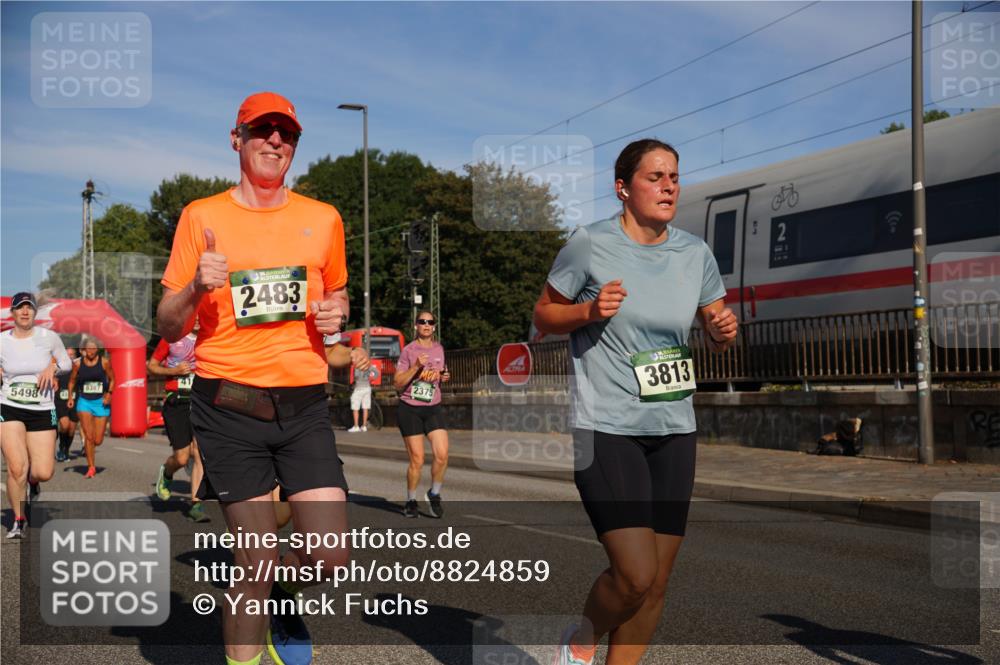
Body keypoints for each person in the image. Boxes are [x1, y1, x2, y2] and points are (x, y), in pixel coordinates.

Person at [157, 91, 351, 665]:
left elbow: (337, 296)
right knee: (257, 559)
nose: (275, 141)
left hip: (304, 407)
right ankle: (258, 607)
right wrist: (196, 286)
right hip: (228, 404)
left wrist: (337, 315)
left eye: (286, 134)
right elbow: (168, 326)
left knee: (330, 557)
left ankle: (277, 597)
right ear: (236, 138)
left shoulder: (323, 219)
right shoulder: (202, 217)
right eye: (263, 130)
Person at [533, 139, 738, 665]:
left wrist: (721, 329)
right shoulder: (589, 245)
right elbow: (544, 314)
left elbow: (717, 322)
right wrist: (587, 312)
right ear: (623, 188)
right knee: (634, 575)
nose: (669, 186)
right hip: (606, 427)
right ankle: (579, 643)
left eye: (674, 176)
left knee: (658, 582)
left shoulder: (695, 253)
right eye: (655, 177)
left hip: (674, 425)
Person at [1, 292, 72, 538]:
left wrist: (52, 367)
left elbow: (67, 363)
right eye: (19, 307)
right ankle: (18, 521)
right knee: (16, 467)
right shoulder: (2, 340)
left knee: (43, 471)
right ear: (12, 313)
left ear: (34, 312)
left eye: (28, 307)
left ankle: (34, 484)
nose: (24, 311)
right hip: (8, 406)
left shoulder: (49, 338)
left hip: (41, 409)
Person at [393, 311, 450, 518]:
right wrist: (416, 366)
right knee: (417, 460)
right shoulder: (409, 351)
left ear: (434, 326)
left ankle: (434, 494)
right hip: (410, 409)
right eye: (422, 322)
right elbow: (397, 383)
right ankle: (410, 500)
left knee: (442, 455)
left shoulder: (439, 349)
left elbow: (438, 373)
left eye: (430, 322)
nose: (426, 325)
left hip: (433, 407)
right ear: (416, 326)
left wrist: (444, 376)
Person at [148, 324, 209, 522]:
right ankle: (166, 473)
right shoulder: (172, 338)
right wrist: (173, 370)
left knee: (200, 454)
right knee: (182, 458)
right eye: (196, 314)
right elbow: (152, 365)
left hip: (201, 401)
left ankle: (196, 504)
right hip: (177, 401)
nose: (199, 318)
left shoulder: (210, 339)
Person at [67, 337, 114, 479]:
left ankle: (91, 460)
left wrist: (109, 394)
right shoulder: (78, 364)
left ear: (97, 349)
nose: (91, 351)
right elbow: (72, 381)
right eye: (89, 348)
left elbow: (113, 379)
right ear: (84, 350)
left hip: (101, 402)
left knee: (98, 440)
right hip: (84, 402)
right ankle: (91, 467)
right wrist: (70, 397)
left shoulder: (105, 362)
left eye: (94, 348)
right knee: (89, 436)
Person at [54, 347, 80, 462]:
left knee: (71, 429)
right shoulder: (58, 367)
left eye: (72, 355)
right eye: (67, 354)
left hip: (75, 400)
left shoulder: (78, 368)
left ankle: (66, 450)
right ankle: (61, 447)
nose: (70, 357)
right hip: (60, 400)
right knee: (64, 425)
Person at [348, 337, 377, 432]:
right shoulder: (369, 365)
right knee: (365, 407)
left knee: (355, 407)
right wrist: (371, 378)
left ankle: (356, 426)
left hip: (359, 388)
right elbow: (376, 373)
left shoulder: (357, 366)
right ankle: (364, 426)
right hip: (367, 387)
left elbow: (356, 377)